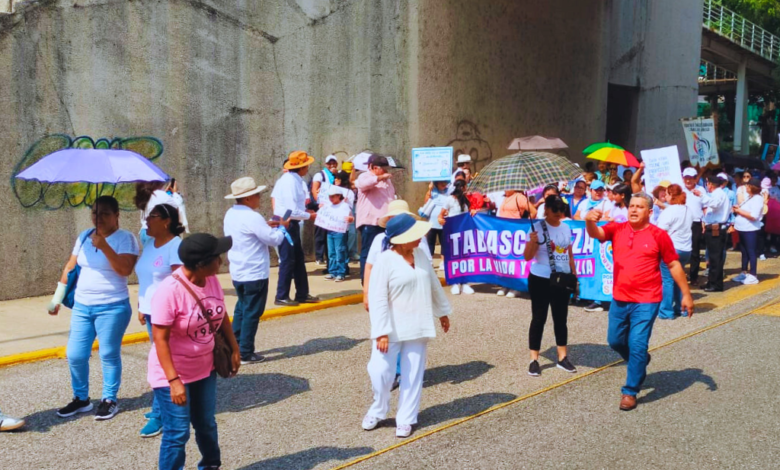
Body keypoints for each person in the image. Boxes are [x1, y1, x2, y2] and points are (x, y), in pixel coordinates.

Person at [586, 193, 694, 411]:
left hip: (647, 299)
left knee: (637, 344)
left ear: (650, 212)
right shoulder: (617, 229)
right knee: (615, 341)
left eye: (640, 207)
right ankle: (640, 359)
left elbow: (673, 264)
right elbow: (596, 232)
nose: (634, 210)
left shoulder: (659, 235)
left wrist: (686, 294)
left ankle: (630, 391)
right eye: (631, 206)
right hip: (620, 298)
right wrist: (589, 220)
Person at [148, 233, 241, 470]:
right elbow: (160, 339)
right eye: (217, 257)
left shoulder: (210, 280)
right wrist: (173, 381)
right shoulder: (169, 291)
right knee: (178, 433)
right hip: (173, 374)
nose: (221, 261)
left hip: (205, 368)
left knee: (206, 424)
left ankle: (211, 465)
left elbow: (220, 316)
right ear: (201, 264)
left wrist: (234, 347)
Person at [49, 196, 139, 420]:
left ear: (117, 215)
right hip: (82, 306)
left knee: (108, 353)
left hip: (112, 307)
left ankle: (109, 399)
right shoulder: (84, 236)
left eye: (105, 214)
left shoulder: (126, 239)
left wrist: (105, 247)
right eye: (94, 214)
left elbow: (125, 269)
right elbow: (70, 267)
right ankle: (81, 399)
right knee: (75, 355)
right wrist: (57, 298)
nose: (98, 218)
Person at [362, 214, 452, 438]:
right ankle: (378, 409)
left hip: (417, 324)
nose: (420, 238)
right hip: (390, 328)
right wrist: (381, 331)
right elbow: (378, 297)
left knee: (413, 374)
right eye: (414, 235)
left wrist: (442, 312)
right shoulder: (384, 260)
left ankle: (406, 418)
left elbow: (433, 284)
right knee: (380, 371)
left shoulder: (420, 255)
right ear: (400, 239)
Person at [363, 200, 433, 392]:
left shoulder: (418, 241)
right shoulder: (379, 240)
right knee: (384, 335)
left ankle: (403, 372)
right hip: (384, 295)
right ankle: (388, 374)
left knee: (405, 334)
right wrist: (366, 292)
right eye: (393, 217)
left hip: (408, 296)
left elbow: (425, 265)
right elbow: (369, 266)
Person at [224, 177, 287, 364]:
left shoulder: (231, 213)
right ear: (248, 198)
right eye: (257, 194)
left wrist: (268, 226)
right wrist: (282, 230)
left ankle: (233, 346)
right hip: (254, 271)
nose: (260, 197)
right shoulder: (252, 216)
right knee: (252, 311)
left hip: (238, 269)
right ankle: (245, 352)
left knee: (242, 309)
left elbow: (253, 231)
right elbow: (273, 239)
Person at [136, 203, 185, 438]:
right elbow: (146, 278)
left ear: (166, 221)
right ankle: (161, 408)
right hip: (150, 313)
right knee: (160, 362)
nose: (146, 220)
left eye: (152, 216)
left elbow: (178, 284)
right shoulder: (149, 244)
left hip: (166, 316)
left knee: (160, 364)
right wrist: (141, 305)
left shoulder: (175, 246)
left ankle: (160, 414)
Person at [523, 195, 577, 377]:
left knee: (561, 318)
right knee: (539, 318)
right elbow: (527, 257)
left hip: (562, 279)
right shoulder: (537, 228)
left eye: (561, 210)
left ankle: (562, 357)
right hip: (540, 278)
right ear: (546, 209)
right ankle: (534, 359)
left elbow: (569, 254)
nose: (558, 214)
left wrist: (574, 276)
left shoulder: (566, 227)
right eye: (554, 210)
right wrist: (532, 241)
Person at [271, 151, 320, 306]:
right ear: (302, 166)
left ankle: (302, 293)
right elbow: (291, 209)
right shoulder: (290, 182)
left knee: (298, 259)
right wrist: (309, 216)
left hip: (290, 222)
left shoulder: (294, 180)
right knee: (287, 260)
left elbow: (294, 207)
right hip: (286, 223)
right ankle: (281, 295)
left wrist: (306, 213)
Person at [356, 155, 396, 282]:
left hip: (386, 222)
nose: (386, 171)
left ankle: (381, 280)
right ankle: (366, 281)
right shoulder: (364, 176)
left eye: (386, 169)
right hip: (370, 223)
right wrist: (379, 178)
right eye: (383, 168)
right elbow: (363, 184)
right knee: (368, 253)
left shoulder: (387, 181)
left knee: (384, 252)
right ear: (373, 167)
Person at [656, 185, 693, 319]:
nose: (664, 196)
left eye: (666, 194)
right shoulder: (688, 209)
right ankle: (680, 308)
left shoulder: (669, 211)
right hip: (686, 249)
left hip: (672, 248)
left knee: (667, 280)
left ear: (672, 195)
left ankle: (666, 311)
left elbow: (660, 230)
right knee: (679, 279)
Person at [437, 180, 474, 295]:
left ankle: (464, 282)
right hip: (453, 232)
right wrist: (441, 220)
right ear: (462, 187)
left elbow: (469, 212)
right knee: (454, 257)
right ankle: (455, 282)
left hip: (464, 232)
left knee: (465, 257)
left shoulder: (466, 200)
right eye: (465, 186)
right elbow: (441, 214)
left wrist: (473, 211)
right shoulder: (450, 199)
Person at [701, 175, 731, 292]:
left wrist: (702, 196)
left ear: (710, 184)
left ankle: (716, 284)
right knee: (713, 258)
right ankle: (711, 282)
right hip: (712, 227)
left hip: (717, 228)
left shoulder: (718, 194)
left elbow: (715, 204)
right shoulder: (716, 194)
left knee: (715, 257)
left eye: (707, 183)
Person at [733, 178, 764, 285]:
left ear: (752, 187)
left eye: (747, 185)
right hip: (742, 228)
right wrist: (738, 208)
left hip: (750, 229)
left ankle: (753, 275)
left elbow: (753, 216)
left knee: (751, 252)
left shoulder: (758, 199)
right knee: (744, 252)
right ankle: (744, 272)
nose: (745, 187)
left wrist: (739, 211)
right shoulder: (750, 198)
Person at [320, 185, 355, 282]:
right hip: (330, 231)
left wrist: (350, 219)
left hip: (340, 232)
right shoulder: (328, 205)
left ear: (339, 196)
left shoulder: (345, 206)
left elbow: (351, 218)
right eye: (329, 196)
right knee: (331, 252)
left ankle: (341, 272)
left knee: (340, 251)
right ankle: (332, 271)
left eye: (332, 196)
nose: (330, 198)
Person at [311, 155, 339, 267]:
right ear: (326, 164)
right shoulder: (320, 175)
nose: (332, 165)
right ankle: (319, 256)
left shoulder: (337, 175)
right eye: (329, 163)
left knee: (330, 232)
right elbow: (315, 189)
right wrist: (319, 203)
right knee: (320, 231)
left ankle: (329, 257)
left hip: (333, 206)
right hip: (322, 206)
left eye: (334, 163)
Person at [682, 168, 705, 284]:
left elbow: (705, 207)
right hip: (682, 222)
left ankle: (694, 276)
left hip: (696, 222)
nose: (688, 180)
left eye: (691, 178)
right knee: (681, 248)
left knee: (695, 250)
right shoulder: (680, 190)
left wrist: (704, 221)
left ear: (695, 178)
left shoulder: (701, 190)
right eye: (686, 178)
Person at [421, 180, 451, 262]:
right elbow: (426, 202)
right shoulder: (432, 191)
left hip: (443, 222)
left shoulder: (449, 192)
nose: (444, 184)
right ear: (437, 183)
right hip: (432, 223)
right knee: (430, 243)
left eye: (445, 183)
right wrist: (430, 189)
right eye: (442, 183)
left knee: (444, 243)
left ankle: (443, 262)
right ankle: (430, 261)